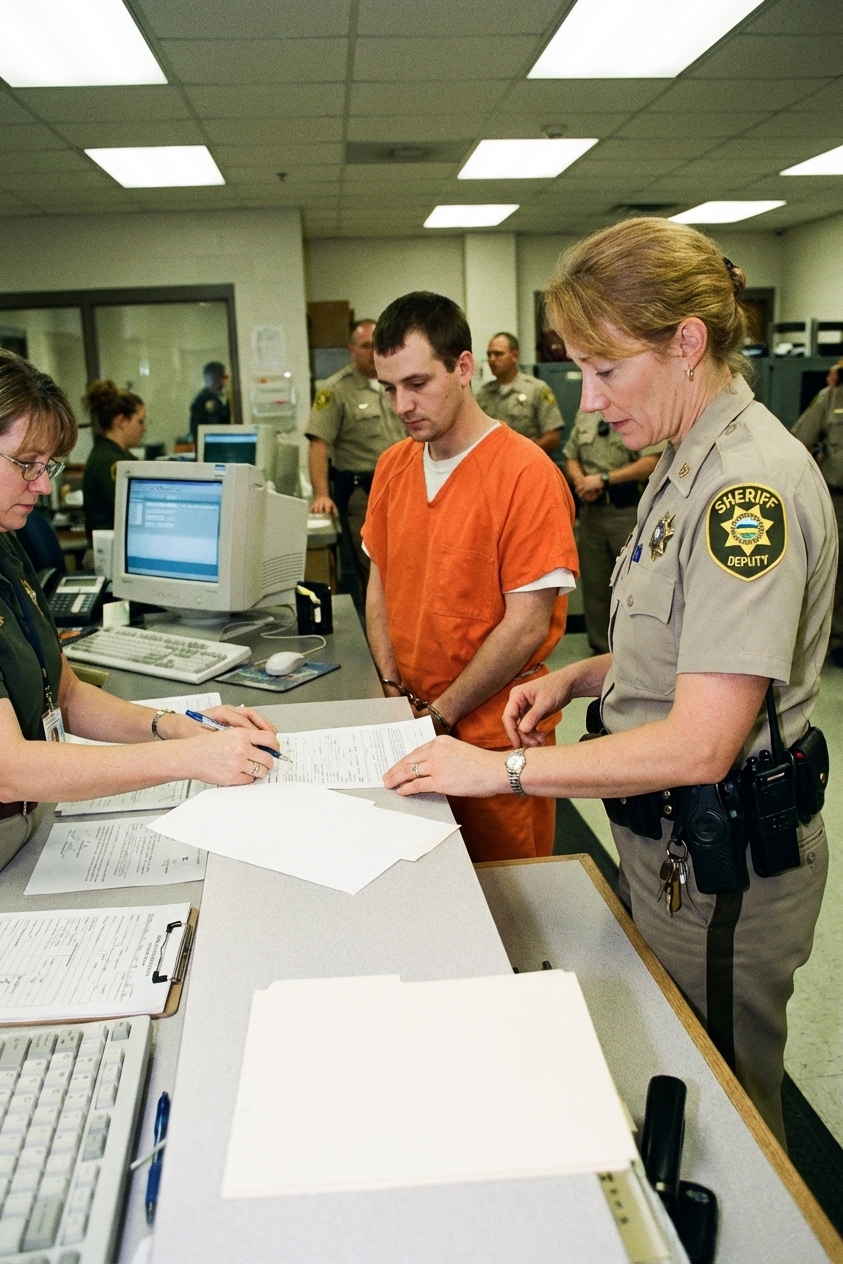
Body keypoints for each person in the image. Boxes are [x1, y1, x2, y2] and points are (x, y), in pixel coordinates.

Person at [382, 223, 836, 1144]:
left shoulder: (744, 490)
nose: (588, 401)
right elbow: (679, 647)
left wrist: (498, 774)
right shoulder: (684, 455)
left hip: (722, 857)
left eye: (605, 369)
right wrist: (581, 677)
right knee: (676, 1068)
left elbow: (703, 740)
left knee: (730, 1114)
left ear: (686, 343)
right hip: (666, 839)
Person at [0, 350, 278, 869]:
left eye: (48, 465)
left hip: (25, 834)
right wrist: (188, 759)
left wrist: (175, 726)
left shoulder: (4, 542)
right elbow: (8, 768)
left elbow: (67, 694)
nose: (43, 485)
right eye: (26, 463)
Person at [364, 292, 578, 863]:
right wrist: (392, 691)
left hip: (494, 734)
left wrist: (441, 714)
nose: (401, 405)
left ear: (463, 368)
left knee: (508, 898)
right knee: (424, 884)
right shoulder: (394, 466)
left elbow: (527, 624)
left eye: (417, 383)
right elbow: (381, 582)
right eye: (389, 389)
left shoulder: (526, 474)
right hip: (411, 723)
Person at [305, 319, 404, 595]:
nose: (373, 351)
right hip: (363, 493)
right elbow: (318, 444)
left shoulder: (398, 381)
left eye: (378, 345)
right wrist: (321, 495)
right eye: (366, 346)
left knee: (406, 563)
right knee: (373, 569)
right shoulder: (335, 389)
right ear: (351, 350)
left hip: (404, 486)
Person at [564, 408, 663, 654]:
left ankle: (634, 651)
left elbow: (652, 462)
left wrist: (604, 479)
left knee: (633, 581)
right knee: (595, 586)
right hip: (591, 511)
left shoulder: (636, 408)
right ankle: (601, 650)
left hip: (626, 511)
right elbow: (571, 456)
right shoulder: (586, 414)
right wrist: (581, 481)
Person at [792, 359, 843, 668]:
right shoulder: (831, 397)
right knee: (837, 573)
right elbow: (798, 440)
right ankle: (836, 641)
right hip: (839, 498)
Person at [475, 332, 563, 454]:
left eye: (498, 354)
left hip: (528, 463)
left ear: (514, 356)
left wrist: (522, 452)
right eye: (489, 354)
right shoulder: (483, 394)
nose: (492, 359)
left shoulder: (537, 389)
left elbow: (553, 437)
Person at [82, 379, 146, 537]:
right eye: (140, 421)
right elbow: (130, 512)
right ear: (121, 421)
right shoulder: (110, 462)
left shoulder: (113, 454)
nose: (144, 428)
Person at [189, 361, 230, 446]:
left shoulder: (213, 397)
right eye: (224, 377)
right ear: (218, 378)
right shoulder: (205, 400)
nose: (226, 379)